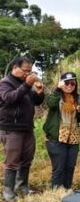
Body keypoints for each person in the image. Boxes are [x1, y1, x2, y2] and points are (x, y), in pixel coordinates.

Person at [0, 57, 45, 201]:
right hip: (11, 128)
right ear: (15, 67)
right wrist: (26, 85)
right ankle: (8, 191)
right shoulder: (5, 83)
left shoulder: (23, 84)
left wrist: (39, 93)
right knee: (12, 161)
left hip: (27, 127)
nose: (28, 73)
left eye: (29, 71)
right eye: (25, 70)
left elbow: (36, 101)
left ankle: (22, 186)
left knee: (27, 158)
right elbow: (9, 98)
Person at [43, 71, 80, 190]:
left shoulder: (77, 98)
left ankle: (67, 190)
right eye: (66, 83)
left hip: (73, 138)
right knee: (59, 167)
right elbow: (51, 104)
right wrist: (57, 89)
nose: (69, 86)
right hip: (56, 138)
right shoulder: (56, 95)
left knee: (70, 166)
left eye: (72, 83)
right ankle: (56, 192)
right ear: (61, 83)